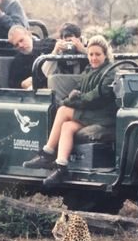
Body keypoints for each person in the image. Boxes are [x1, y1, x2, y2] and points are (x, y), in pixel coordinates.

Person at [22, 35, 117, 187]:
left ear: (105, 55)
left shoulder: (109, 72)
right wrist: (71, 98)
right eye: (91, 54)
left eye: (98, 54)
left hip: (102, 116)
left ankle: (47, 152)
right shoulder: (88, 70)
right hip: (90, 114)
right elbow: (78, 90)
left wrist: (69, 101)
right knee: (67, 126)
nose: (93, 58)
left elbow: (95, 97)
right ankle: (61, 166)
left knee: (63, 110)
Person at [41, 22, 89, 100]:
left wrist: (83, 50)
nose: (69, 44)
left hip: (85, 87)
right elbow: (46, 72)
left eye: (70, 40)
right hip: (64, 90)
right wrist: (55, 52)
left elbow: (104, 60)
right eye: (66, 41)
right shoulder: (58, 48)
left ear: (79, 38)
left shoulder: (89, 45)